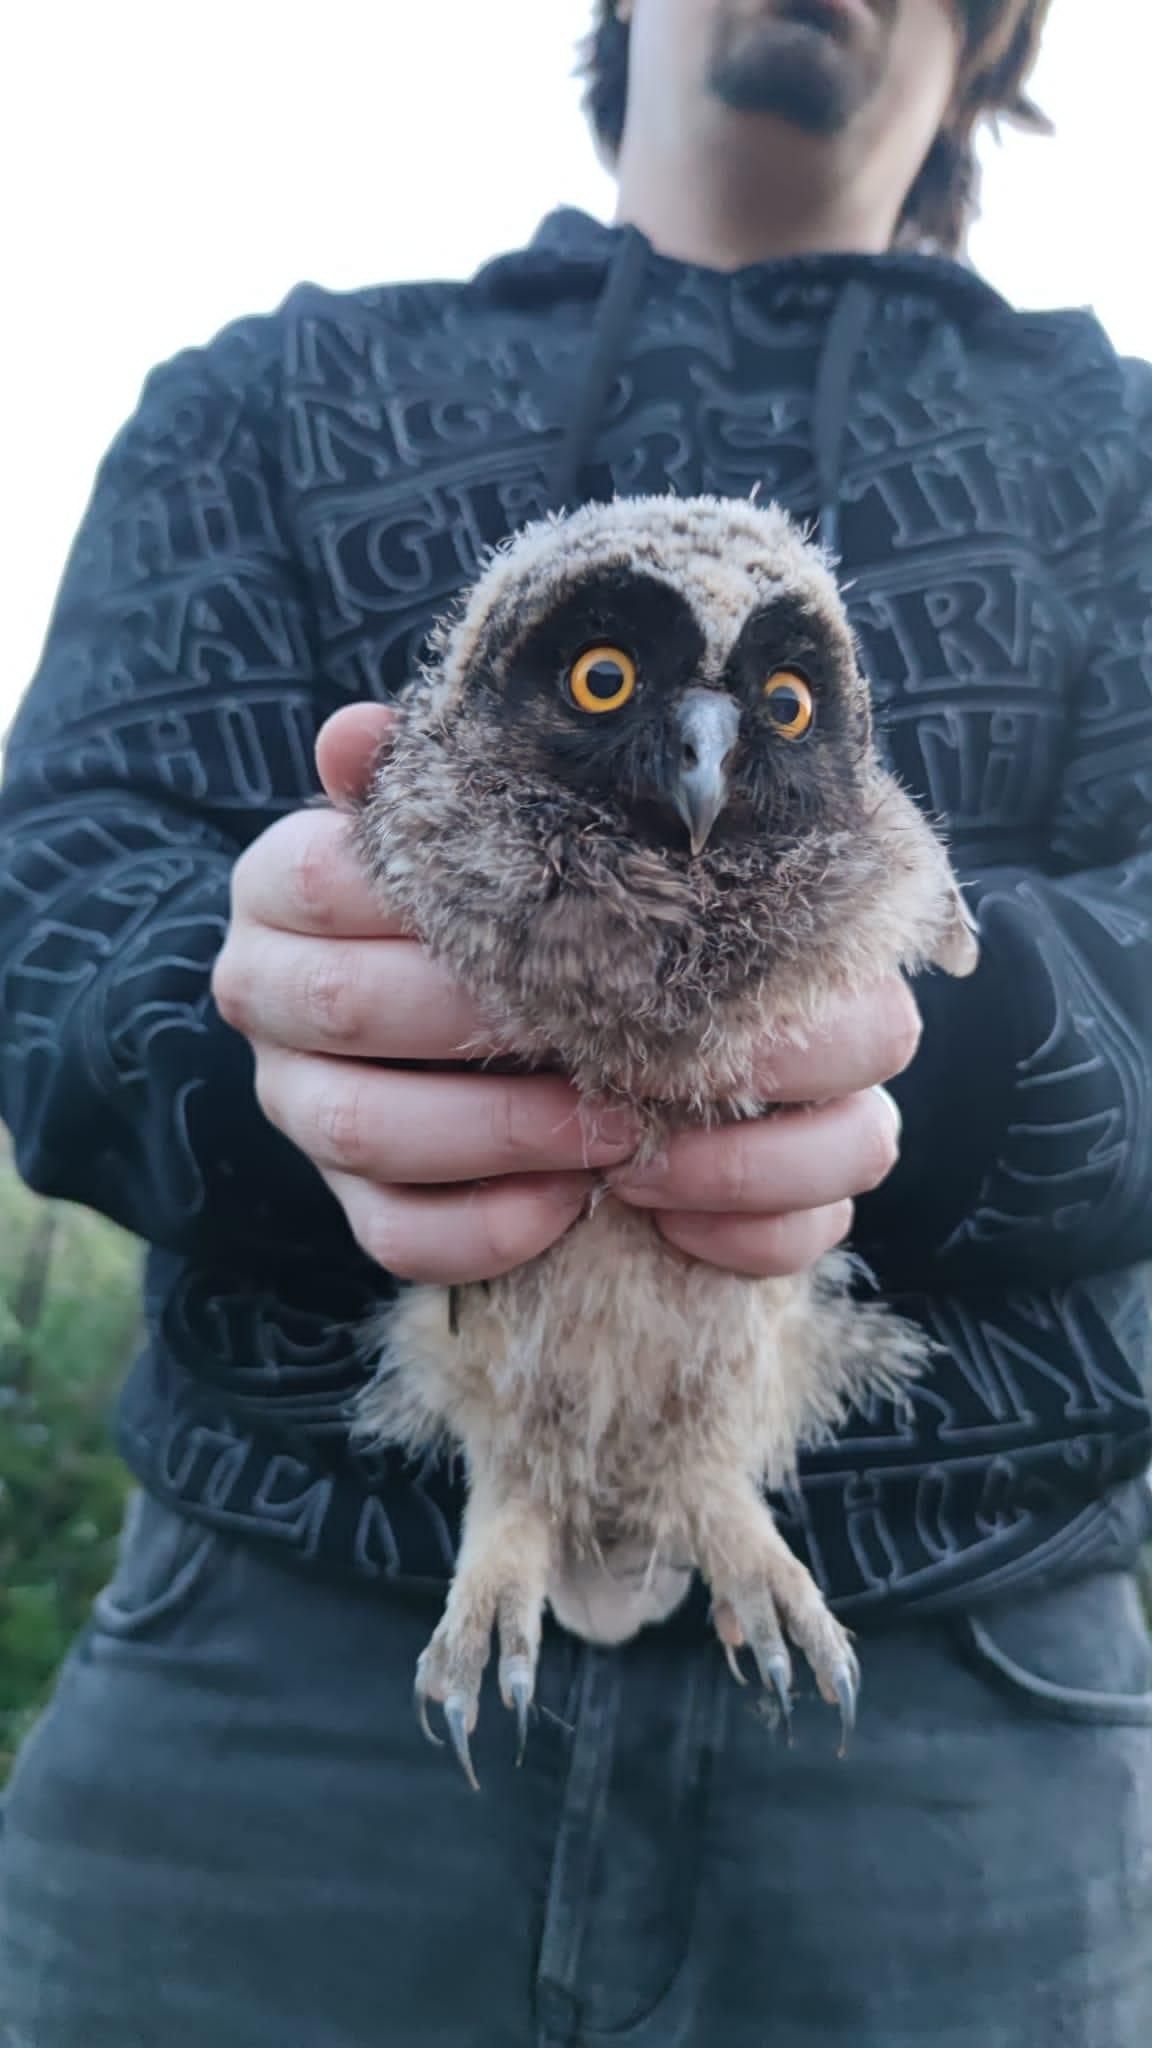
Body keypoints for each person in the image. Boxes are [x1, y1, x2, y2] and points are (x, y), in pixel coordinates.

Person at [2, 0, 1151, 2040]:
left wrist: (935, 1060)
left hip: (965, 1713)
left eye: (774, 706)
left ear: (994, 37)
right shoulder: (279, 389)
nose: (706, 747)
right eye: (615, 683)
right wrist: (259, 1040)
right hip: (285, 1681)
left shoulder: (1125, 452)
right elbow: (50, 882)